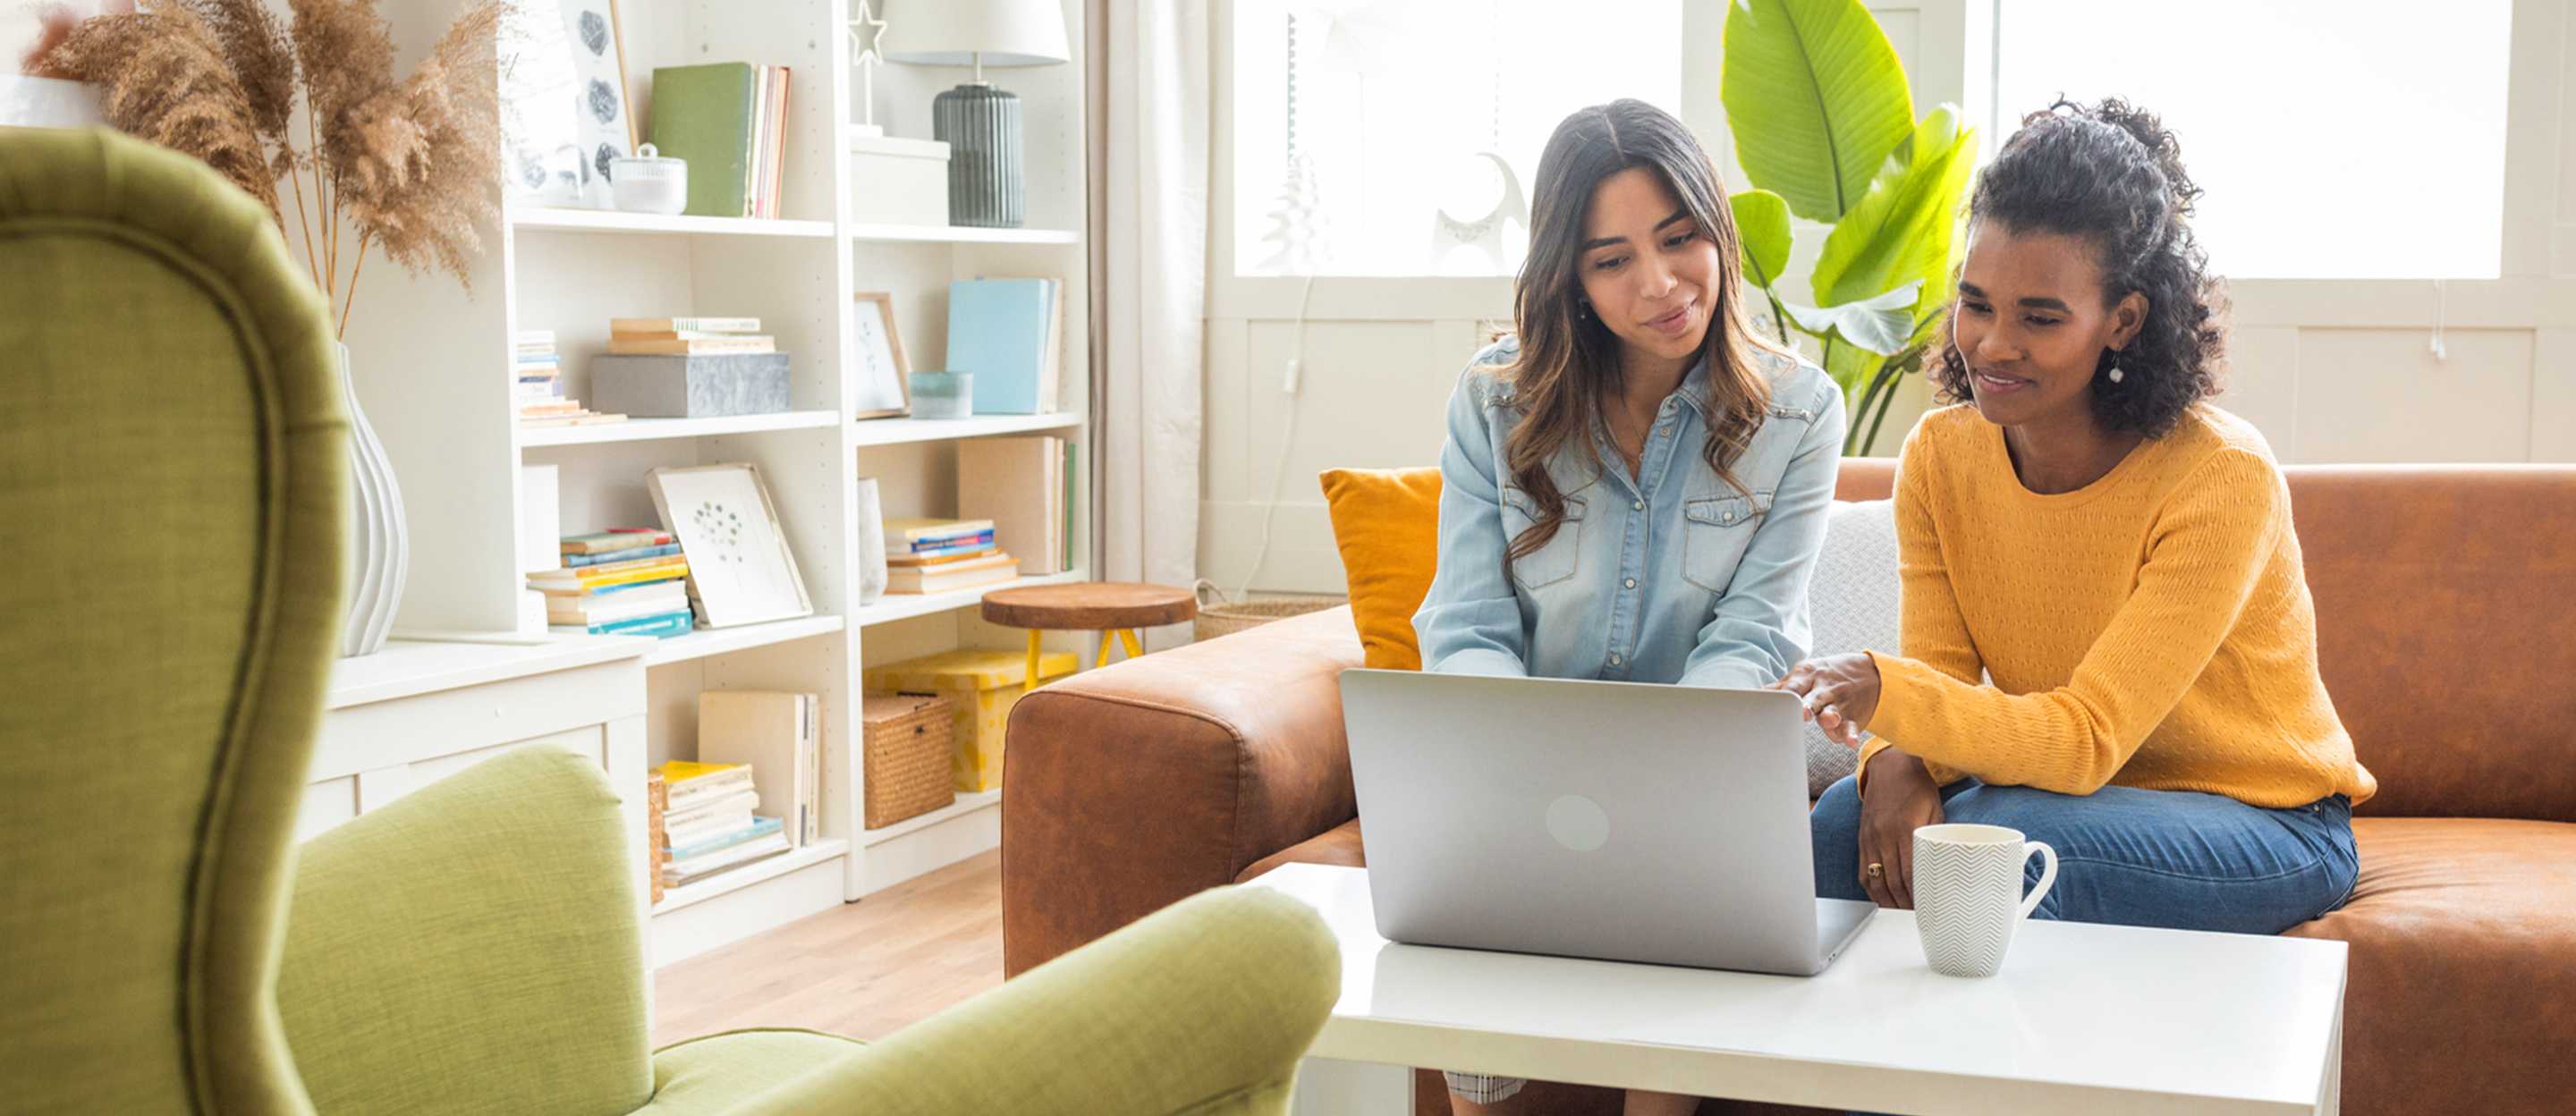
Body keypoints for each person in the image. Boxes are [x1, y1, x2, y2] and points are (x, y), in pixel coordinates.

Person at [1779, 99, 2371, 940]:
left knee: (2010, 843)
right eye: (1976, 304)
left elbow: (2088, 738)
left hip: (2268, 822)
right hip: (2070, 798)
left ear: (2122, 320)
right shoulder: (1942, 455)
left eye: (2040, 317)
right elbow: (1938, 679)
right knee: (1845, 819)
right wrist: (1892, 758)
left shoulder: (2220, 475)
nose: (1993, 344)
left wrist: (1885, 694)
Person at [1412, 97, 1844, 1116]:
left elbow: (1755, 637)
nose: (1659, 284)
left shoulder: (1799, 411)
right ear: (1569, 274)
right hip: (1519, 768)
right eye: (1612, 260)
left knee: (1681, 882)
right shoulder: (1493, 400)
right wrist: (1529, 763)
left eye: (1679, 237)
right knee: (1482, 890)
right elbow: (1468, 627)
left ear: (1716, 230)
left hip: (1698, 775)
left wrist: (1649, 776)